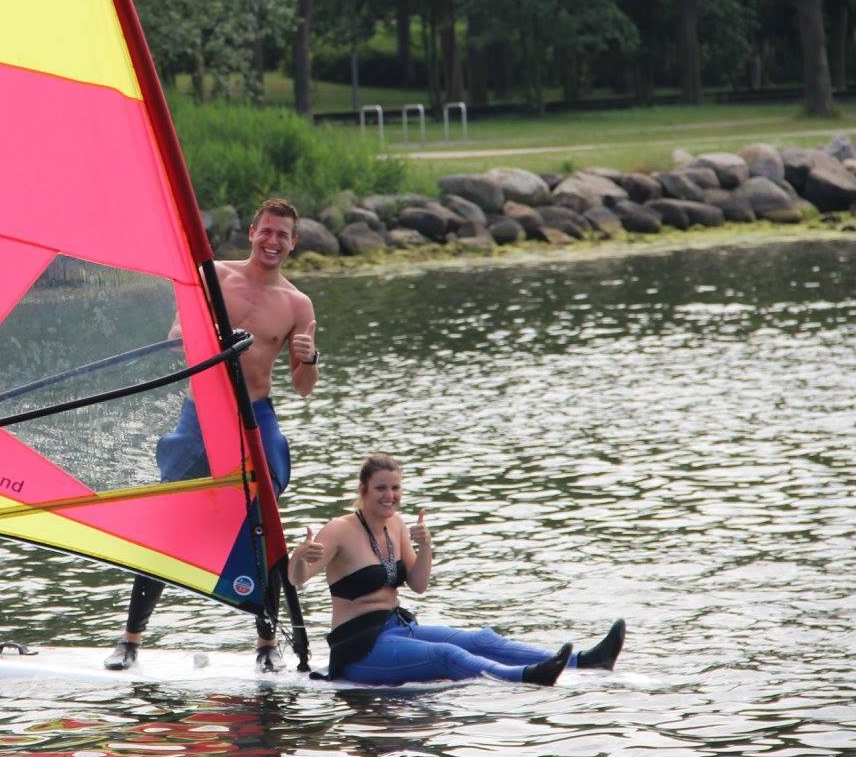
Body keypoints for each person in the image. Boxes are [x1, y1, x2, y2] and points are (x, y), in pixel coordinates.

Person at [105, 198, 319, 673]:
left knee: (264, 525)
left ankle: (267, 645)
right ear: (252, 232)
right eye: (267, 231)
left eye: (283, 235)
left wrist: (309, 359)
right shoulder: (215, 276)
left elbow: (303, 387)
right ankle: (130, 640)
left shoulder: (297, 304)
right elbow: (175, 336)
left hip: (255, 414)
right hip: (201, 412)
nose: (273, 241)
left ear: (294, 243)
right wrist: (190, 335)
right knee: (169, 520)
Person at [289, 454, 626, 686]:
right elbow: (296, 579)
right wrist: (300, 556)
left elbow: (418, 584)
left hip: (398, 627)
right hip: (359, 649)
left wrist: (426, 546)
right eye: (381, 488)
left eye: (395, 488)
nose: (389, 495)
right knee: (446, 655)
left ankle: (585, 661)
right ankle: (527, 676)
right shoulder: (340, 530)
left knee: (481, 639)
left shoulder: (397, 525)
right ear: (363, 490)